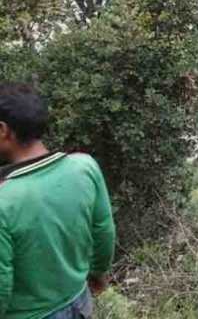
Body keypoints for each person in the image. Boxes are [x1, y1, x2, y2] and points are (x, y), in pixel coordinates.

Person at [0, 83, 116, 319]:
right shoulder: (84, 166)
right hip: (78, 301)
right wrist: (97, 274)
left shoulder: (4, 200)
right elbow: (104, 231)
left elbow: (2, 282)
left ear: (3, 130)